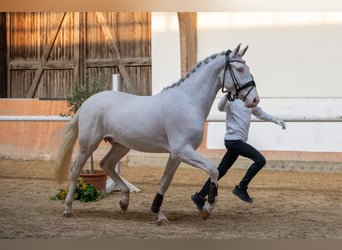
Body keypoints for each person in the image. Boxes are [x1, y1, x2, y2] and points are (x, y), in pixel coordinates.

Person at [191, 94, 286, 211]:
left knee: (221, 171)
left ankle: (199, 196)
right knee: (260, 160)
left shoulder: (249, 103)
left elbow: (260, 113)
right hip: (233, 141)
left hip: (237, 142)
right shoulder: (231, 101)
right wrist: (226, 96)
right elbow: (220, 107)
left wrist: (275, 119)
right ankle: (241, 187)